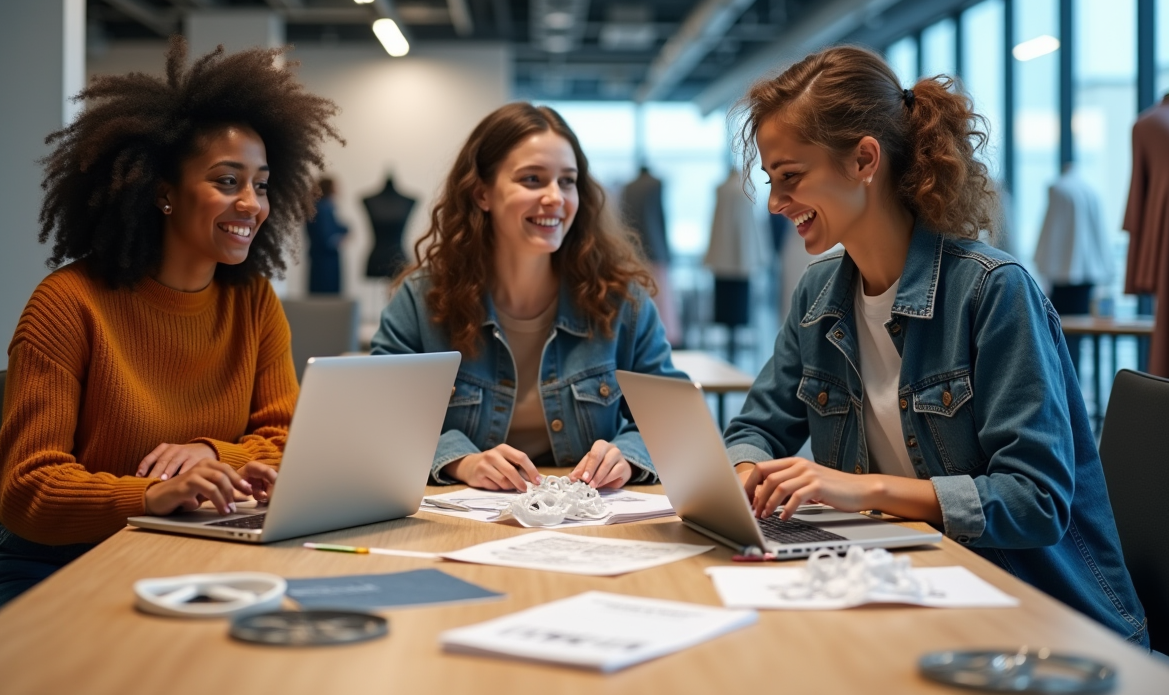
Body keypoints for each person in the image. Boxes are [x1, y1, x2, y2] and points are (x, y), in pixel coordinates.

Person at [722, 46, 1147, 646]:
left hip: (1039, 620)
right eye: (772, 182)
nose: (775, 202)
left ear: (864, 159)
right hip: (910, 588)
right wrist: (746, 474)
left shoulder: (993, 291)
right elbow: (756, 428)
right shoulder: (818, 294)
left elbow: (1035, 501)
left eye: (790, 177)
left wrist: (861, 490)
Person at [0, 37, 341, 626]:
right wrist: (149, 495)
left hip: (183, 556)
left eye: (262, 184)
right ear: (163, 192)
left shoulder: (252, 302)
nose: (252, 204)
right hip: (50, 567)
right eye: (227, 181)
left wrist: (211, 453)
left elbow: (290, 437)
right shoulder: (68, 304)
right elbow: (26, 487)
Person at [371, 102, 684, 491]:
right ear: (482, 193)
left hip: (586, 514)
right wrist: (461, 461)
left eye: (567, 181)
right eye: (533, 179)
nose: (555, 197)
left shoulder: (623, 302)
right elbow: (379, 421)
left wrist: (628, 456)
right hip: (457, 518)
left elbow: (675, 427)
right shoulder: (421, 300)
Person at [1034, 159, 1114, 372]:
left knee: (1063, 337)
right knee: (1077, 337)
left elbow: (1051, 232)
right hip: (1087, 274)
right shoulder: (1091, 191)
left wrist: (1043, 267)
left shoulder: (1058, 189)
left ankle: (1067, 381)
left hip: (1063, 275)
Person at [306, 177, 350, 294]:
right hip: (326, 260)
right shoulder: (324, 208)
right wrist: (342, 235)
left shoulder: (316, 206)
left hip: (318, 258)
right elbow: (327, 238)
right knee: (327, 296)